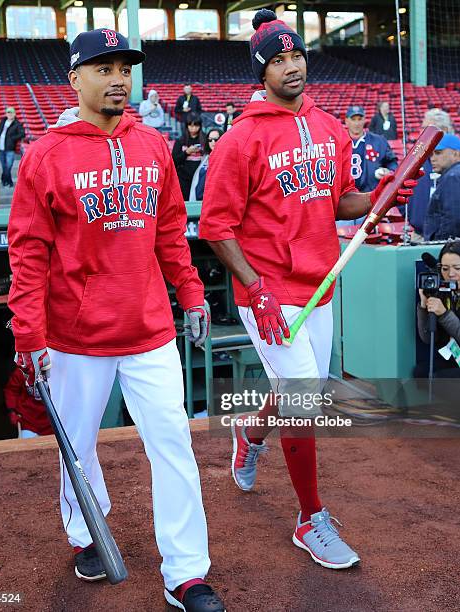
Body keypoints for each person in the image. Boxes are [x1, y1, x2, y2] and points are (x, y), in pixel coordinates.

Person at [7, 28, 224, 612]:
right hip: (76, 334)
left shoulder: (153, 145)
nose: (119, 78)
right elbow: (28, 251)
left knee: (173, 442)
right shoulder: (45, 155)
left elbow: (171, 232)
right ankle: (87, 535)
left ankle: (186, 573)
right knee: (76, 446)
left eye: (125, 67)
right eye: (103, 68)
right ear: (75, 79)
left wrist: (192, 292)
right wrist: (28, 332)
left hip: (149, 326)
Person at [199, 9, 419, 571]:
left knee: (305, 390)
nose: (291, 66)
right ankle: (310, 518)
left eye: (296, 55)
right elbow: (216, 227)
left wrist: (379, 195)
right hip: (266, 292)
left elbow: (339, 198)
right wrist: (257, 289)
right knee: (301, 391)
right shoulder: (240, 140)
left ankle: (250, 432)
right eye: (277, 60)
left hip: (318, 284)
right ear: (261, 71)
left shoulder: (328, 128)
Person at [338, 105, 398, 225]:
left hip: (369, 199)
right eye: (353, 119)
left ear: (364, 120)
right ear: (346, 121)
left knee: (368, 238)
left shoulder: (378, 141)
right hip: (344, 202)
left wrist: (389, 172)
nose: (356, 123)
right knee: (343, 238)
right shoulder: (337, 141)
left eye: (359, 119)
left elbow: (392, 162)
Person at [408, 109, 454, 242]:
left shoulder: (454, 161)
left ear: (444, 130)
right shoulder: (416, 158)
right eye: (423, 128)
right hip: (418, 234)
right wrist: (412, 216)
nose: (423, 133)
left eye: (427, 129)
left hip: (447, 239)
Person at [416, 240, 460, 377]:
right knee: (421, 374)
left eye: (457, 268)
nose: (451, 274)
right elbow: (428, 339)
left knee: (439, 380)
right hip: (453, 354)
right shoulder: (443, 292)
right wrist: (423, 306)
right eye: (445, 269)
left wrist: (444, 314)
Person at [423, 134, 460, 241]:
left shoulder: (453, 176)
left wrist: (442, 246)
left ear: (455, 154)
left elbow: (453, 220)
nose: (432, 159)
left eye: (438, 153)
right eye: (431, 154)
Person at [4, 365, 54, 438]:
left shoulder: (55, 370)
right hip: (28, 421)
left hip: (52, 422)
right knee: (26, 447)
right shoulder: (22, 371)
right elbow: (11, 391)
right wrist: (12, 410)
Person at [172, 112, 205, 200]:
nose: (193, 128)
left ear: (200, 126)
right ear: (187, 126)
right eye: (190, 126)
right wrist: (186, 152)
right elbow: (174, 160)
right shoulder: (180, 141)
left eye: (196, 126)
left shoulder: (205, 139)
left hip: (201, 178)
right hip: (184, 178)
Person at [0, 107, 25, 188]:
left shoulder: (17, 123)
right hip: (1, 148)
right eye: (8, 112)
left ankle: (5, 180)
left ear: (14, 114)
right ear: (6, 113)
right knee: (4, 166)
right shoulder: (3, 121)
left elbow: (22, 134)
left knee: (8, 166)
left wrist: (12, 138)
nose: (9, 114)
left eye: (11, 112)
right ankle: (8, 182)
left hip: (10, 149)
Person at [189, 128, 222, 201]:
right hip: (199, 201)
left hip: (213, 202)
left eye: (216, 139)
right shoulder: (205, 158)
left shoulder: (224, 158)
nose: (213, 142)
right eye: (210, 140)